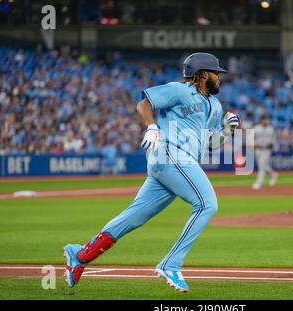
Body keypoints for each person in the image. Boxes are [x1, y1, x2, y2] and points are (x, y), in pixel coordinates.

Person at [63, 52, 240, 292]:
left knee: (134, 217)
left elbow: (209, 142)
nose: (219, 77)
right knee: (207, 204)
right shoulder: (179, 90)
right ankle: (171, 264)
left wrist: (227, 133)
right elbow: (144, 103)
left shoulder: (215, 105)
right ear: (202, 75)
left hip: (175, 163)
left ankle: (80, 255)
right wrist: (152, 126)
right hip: (171, 154)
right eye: (216, 73)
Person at [252, 114, 278, 190]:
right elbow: (251, 138)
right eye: (264, 120)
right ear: (261, 120)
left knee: (261, 167)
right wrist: (254, 144)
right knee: (263, 165)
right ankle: (273, 174)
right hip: (258, 149)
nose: (266, 121)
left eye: (267, 120)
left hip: (266, 150)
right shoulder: (256, 128)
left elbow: (273, 139)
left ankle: (258, 183)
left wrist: (272, 144)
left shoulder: (270, 129)